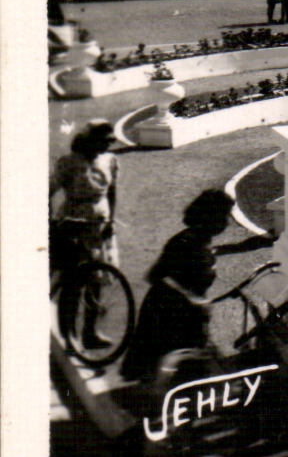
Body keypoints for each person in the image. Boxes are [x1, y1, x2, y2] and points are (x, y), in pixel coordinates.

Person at [121, 189, 273, 382]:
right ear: (210, 217)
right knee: (177, 373)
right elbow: (155, 276)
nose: (226, 222)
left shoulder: (199, 241)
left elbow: (215, 252)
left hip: (185, 317)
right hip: (168, 316)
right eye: (223, 216)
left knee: (187, 373)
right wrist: (192, 299)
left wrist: (257, 242)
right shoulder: (184, 243)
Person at [50, 121, 121, 349]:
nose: (107, 145)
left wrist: (110, 221)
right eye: (103, 141)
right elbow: (48, 191)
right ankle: (68, 335)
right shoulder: (68, 163)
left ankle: (90, 332)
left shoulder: (109, 161)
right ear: (90, 140)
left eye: (109, 141)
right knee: (73, 282)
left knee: (97, 279)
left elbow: (111, 192)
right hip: (74, 226)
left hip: (100, 227)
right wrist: (51, 222)